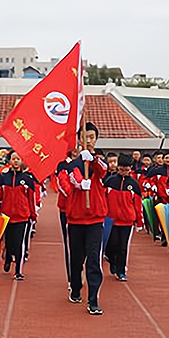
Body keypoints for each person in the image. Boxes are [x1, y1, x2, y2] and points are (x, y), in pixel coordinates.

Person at [66, 122, 107, 315]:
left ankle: (93, 299)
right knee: (76, 259)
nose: (88, 141)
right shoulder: (73, 163)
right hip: (75, 219)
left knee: (93, 260)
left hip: (96, 219)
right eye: (84, 137)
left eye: (91, 137)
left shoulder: (98, 160)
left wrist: (94, 160)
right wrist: (80, 183)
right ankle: (75, 287)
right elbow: (71, 179)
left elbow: (103, 171)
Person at [0, 150, 36, 281]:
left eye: (18, 159)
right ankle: (8, 257)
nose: (16, 161)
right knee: (8, 242)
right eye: (13, 159)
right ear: (9, 161)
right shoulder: (4, 177)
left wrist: (32, 214)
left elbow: (30, 198)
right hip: (6, 215)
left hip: (22, 216)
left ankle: (18, 271)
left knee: (19, 243)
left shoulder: (27, 179)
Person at [104, 154, 143, 281]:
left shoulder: (134, 185)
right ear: (117, 168)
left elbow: (138, 205)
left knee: (123, 247)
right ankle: (112, 260)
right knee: (112, 245)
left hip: (127, 221)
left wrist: (139, 222)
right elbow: (103, 200)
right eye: (122, 169)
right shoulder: (110, 182)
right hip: (112, 220)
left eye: (127, 170)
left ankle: (121, 271)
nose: (124, 172)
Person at [55, 148, 78, 288]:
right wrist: (76, 195)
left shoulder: (87, 163)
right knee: (70, 244)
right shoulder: (63, 165)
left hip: (86, 212)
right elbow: (62, 185)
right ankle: (72, 278)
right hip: (67, 209)